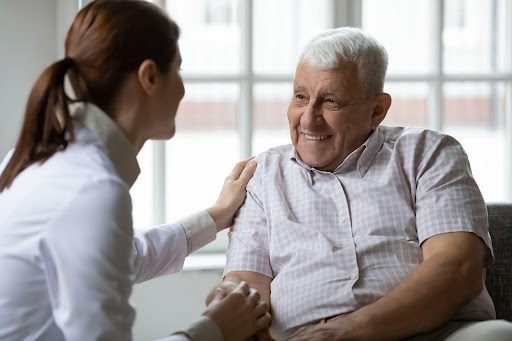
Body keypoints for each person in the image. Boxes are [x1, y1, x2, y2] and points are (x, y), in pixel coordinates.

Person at [216, 27, 512, 340]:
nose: (307, 118)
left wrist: (346, 332)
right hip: (304, 338)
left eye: (330, 101)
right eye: (301, 97)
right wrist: (227, 298)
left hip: (435, 333)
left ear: (377, 110)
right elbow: (246, 283)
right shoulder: (262, 176)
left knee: (495, 336)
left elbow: (459, 268)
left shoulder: (428, 153)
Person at [0, 1, 270, 340]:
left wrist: (216, 217)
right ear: (150, 76)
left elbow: (126, 256)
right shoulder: (91, 190)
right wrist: (215, 329)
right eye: (179, 71)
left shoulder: (42, 159)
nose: (184, 90)